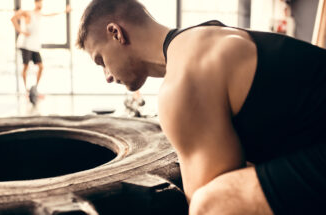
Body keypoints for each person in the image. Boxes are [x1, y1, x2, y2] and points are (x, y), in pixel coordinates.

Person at [76, 0, 326, 214]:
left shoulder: (183, 80)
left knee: (211, 203)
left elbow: (204, 207)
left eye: (101, 61)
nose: (107, 76)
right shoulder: (203, 36)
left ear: (116, 33)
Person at [11, 0, 71, 93]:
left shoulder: (39, 14)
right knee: (25, 67)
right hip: (25, 44)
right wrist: (21, 31)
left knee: (41, 66)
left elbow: (51, 14)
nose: (41, 5)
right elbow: (13, 18)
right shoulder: (27, 12)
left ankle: (35, 88)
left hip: (34, 45)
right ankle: (26, 89)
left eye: (42, 3)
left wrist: (64, 11)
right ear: (35, 3)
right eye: (39, 2)